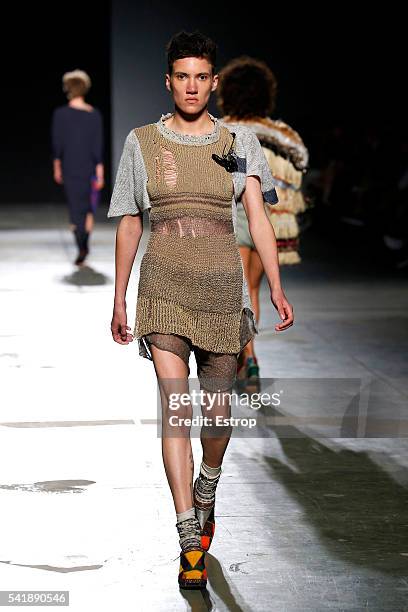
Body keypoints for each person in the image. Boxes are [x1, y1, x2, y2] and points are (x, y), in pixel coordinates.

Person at [107, 31, 294, 590]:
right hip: (162, 288)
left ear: (213, 82)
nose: (191, 86)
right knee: (175, 409)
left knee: (216, 417)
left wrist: (277, 287)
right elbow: (131, 222)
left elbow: (257, 217)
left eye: (201, 77)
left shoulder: (239, 143)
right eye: (181, 76)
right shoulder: (142, 142)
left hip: (222, 292)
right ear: (169, 80)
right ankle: (188, 532)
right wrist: (118, 296)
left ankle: (207, 486)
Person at [217, 56, 308, 390]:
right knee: (252, 289)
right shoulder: (283, 136)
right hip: (273, 220)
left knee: (241, 291)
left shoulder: (222, 132)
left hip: (238, 214)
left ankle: (248, 359)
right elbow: (298, 173)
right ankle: (249, 359)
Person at [52, 69, 104, 265]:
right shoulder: (94, 115)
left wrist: (57, 167)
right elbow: (97, 146)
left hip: (70, 166)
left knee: (75, 209)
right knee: (88, 209)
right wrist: (100, 172)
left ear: (68, 89)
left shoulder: (60, 114)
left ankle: (80, 246)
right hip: (88, 167)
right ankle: (84, 244)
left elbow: (58, 143)